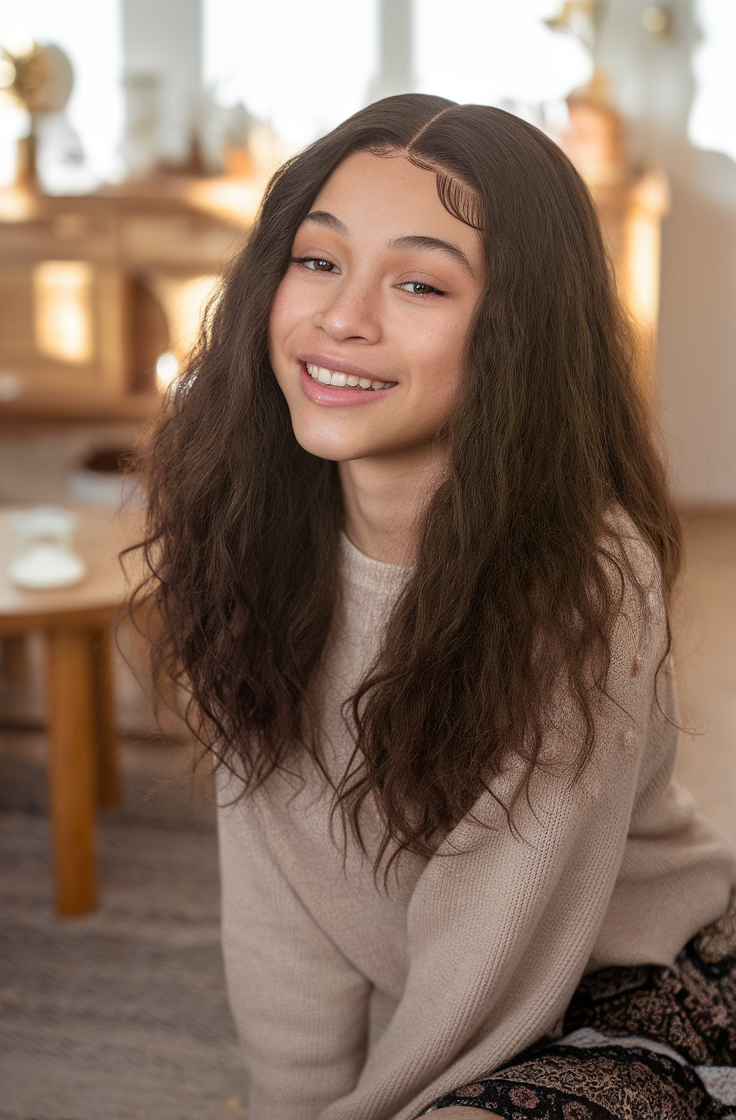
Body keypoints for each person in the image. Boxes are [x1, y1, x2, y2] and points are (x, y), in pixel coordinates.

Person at [135, 95, 736, 1120]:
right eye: (318, 261)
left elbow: (489, 961)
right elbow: (279, 898)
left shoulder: (587, 577)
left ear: (515, 327)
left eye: (419, 281)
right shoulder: (248, 523)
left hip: (639, 981)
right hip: (466, 990)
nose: (342, 317)